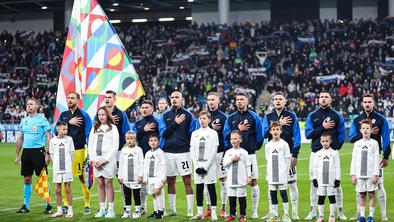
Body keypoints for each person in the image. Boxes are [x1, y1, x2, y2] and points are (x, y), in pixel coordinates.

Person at [305, 91, 346, 221]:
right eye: (321, 97)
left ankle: (340, 211)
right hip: (316, 152)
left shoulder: (337, 115)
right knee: (314, 182)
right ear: (318, 99)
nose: (323, 99)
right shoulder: (312, 115)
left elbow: (341, 134)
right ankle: (313, 211)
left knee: (336, 183)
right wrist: (322, 127)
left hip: (332, 152)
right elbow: (308, 134)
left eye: (326, 97)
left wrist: (335, 149)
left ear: (330, 100)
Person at [349, 94, 391, 221]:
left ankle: (383, 214)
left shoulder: (381, 119)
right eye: (365, 102)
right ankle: (359, 213)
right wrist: (368, 132)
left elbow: (386, 138)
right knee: (360, 188)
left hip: (375, 158)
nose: (367, 104)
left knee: (379, 185)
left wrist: (386, 156)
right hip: (361, 157)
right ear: (362, 104)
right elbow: (351, 138)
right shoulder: (357, 120)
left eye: (369, 102)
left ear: (373, 103)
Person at [223, 92, 263, 219]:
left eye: (242, 99)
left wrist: (253, 147)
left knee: (253, 181)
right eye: (237, 99)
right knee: (234, 183)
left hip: (249, 155)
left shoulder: (254, 116)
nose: (239, 101)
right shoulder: (231, 118)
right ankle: (234, 213)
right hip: (234, 155)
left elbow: (260, 136)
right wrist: (238, 128)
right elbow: (225, 135)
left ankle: (254, 211)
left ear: (247, 101)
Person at [158, 91, 198, 216]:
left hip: (184, 153)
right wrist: (175, 123)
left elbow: (193, 134)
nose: (174, 99)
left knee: (187, 180)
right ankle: (172, 209)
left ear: (181, 99)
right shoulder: (165, 116)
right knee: (171, 180)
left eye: (177, 97)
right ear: (170, 100)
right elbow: (163, 134)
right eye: (172, 97)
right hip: (168, 153)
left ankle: (190, 210)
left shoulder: (188, 115)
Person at [262, 91, 301, 220]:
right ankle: (272, 211)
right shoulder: (268, 117)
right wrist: (279, 123)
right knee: (271, 184)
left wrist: (295, 154)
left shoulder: (291, 115)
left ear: (285, 101)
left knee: (291, 182)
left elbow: (296, 136)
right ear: (273, 101)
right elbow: (264, 134)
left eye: (280, 99)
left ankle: (293, 212)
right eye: (276, 99)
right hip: (274, 156)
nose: (278, 101)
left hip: (288, 154)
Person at [56, 91, 92, 215]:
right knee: (65, 178)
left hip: (79, 150)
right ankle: (66, 204)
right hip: (64, 151)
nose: (70, 100)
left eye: (72, 98)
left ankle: (87, 204)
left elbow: (89, 134)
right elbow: (57, 132)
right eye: (68, 98)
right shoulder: (63, 115)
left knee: (82, 177)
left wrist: (89, 152)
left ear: (78, 100)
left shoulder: (84, 115)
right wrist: (68, 123)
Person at [15, 98, 52, 214]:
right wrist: (17, 155)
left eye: (31, 104)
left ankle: (49, 205)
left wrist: (48, 153)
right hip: (26, 152)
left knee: (43, 179)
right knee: (27, 179)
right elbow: (20, 138)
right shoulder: (24, 121)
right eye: (27, 104)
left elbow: (49, 137)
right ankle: (25, 206)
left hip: (39, 152)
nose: (28, 105)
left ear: (37, 106)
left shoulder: (42, 120)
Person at [88, 107, 119, 218]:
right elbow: (90, 144)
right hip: (96, 160)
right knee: (100, 184)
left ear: (108, 115)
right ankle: (102, 208)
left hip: (108, 161)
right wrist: (92, 159)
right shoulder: (94, 128)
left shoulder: (113, 128)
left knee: (108, 183)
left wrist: (105, 159)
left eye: (103, 114)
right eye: (99, 114)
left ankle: (111, 209)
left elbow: (115, 146)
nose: (101, 116)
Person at [103, 90, 131, 213]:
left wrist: (121, 146)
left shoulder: (121, 114)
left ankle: (126, 206)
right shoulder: (101, 113)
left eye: (109, 97)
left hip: (118, 152)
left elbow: (127, 132)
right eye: (106, 97)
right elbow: (95, 129)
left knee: (121, 179)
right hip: (104, 154)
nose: (107, 99)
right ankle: (105, 208)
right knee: (105, 181)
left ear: (115, 99)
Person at [132, 100, 160, 214]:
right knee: (143, 183)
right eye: (142, 107)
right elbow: (133, 139)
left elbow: (161, 138)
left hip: (154, 157)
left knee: (154, 183)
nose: (144, 109)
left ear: (152, 109)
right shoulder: (138, 123)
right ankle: (143, 208)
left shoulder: (157, 122)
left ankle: (158, 208)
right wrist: (143, 130)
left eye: (147, 107)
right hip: (141, 157)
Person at [190, 111, 219, 221]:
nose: (202, 120)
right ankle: (200, 213)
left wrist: (206, 166)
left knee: (211, 188)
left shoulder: (213, 133)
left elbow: (214, 150)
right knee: (199, 188)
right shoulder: (194, 133)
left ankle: (214, 212)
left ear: (209, 120)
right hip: (198, 164)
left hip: (209, 165)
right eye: (200, 118)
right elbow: (192, 150)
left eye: (204, 118)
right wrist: (196, 165)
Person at [350, 119, 380, 222]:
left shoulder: (374, 143)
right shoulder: (357, 143)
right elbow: (354, 159)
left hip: (371, 174)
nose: (365, 130)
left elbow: (377, 159)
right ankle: (362, 216)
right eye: (363, 128)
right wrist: (353, 174)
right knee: (361, 194)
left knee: (371, 194)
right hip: (359, 174)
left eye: (367, 128)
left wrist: (376, 174)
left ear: (371, 130)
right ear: (360, 130)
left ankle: (370, 216)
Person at [204, 92, 228, 218]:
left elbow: (227, 136)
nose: (211, 102)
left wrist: (225, 154)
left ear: (218, 100)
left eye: (213, 99)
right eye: (208, 100)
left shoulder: (224, 117)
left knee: (223, 181)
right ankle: (208, 208)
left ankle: (223, 208)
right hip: (206, 155)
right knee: (207, 182)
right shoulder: (203, 117)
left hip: (219, 153)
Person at [264, 121, 292, 222]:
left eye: (277, 129)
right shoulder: (268, 145)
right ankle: (275, 215)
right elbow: (268, 160)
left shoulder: (284, 144)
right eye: (273, 130)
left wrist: (286, 173)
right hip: (272, 174)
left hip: (281, 174)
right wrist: (268, 174)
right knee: (273, 194)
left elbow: (287, 159)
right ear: (270, 131)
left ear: (281, 131)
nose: (275, 131)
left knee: (283, 194)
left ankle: (286, 214)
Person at [222, 130, 251, 222]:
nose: (233, 140)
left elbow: (247, 165)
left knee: (242, 198)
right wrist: (232, 159)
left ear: (240, 140)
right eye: (231, 139)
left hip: (241, 180)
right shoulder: (228, 152)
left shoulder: (244, 152)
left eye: (235, 138)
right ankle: (232, 214)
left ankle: (243, 215)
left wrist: (249, 176)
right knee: (231, 198)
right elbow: (224, 164)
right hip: (230, 180)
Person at [312, 132, 341, 222]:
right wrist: (314, 178)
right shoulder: (318, 153)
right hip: (320, 181)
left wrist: (337, 179)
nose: (325, 143)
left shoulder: (334, 153)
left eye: (327, 141)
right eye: (323, 141)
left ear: (330, 141)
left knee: (332, 197)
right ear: (320, 142)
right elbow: (315, 167)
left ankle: (332, 216)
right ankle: (321, 216)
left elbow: (337, 166)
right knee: (321, 198)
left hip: (331, 180)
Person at [49, 121, 75, 218]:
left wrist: (67, 163)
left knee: (67, 189)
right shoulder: (53, 141)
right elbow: (51, 154)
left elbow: (72, 154)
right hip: (57, 168)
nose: (66, 131)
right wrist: (57, 163)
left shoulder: (69, 139)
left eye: (67, 129)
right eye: (64, 129)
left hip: (67, 167)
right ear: (57, 129)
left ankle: (70, 210)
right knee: (57, 190)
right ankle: (59, 210)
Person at [118, 131, 144, 218]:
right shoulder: (124, 150)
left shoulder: (139, 150)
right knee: (127, 195)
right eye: (128, 139)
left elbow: (141, 163)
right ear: (125, 140)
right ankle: (127, 211)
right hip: (126, 178)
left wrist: (141, 175)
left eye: (131, 139)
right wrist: (120, 176)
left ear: (135, 139)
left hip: (136, 177)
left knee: (136, 195)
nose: (129, 141)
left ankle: (137, 211)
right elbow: (121, 163)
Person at [143, 133, 167, 219]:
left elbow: (164, 166)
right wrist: (145, 177)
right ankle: (156, 211)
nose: (153, 142)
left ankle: (161, 211)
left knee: (158, 192)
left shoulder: (161, 153)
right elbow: (145, 166)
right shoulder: (147, 154)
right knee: (153, 194)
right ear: (149, 143)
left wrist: (163, 178)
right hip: (150, 178)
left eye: (155, 140)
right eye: (151, 141)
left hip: (158, 177)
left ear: (159, 142)